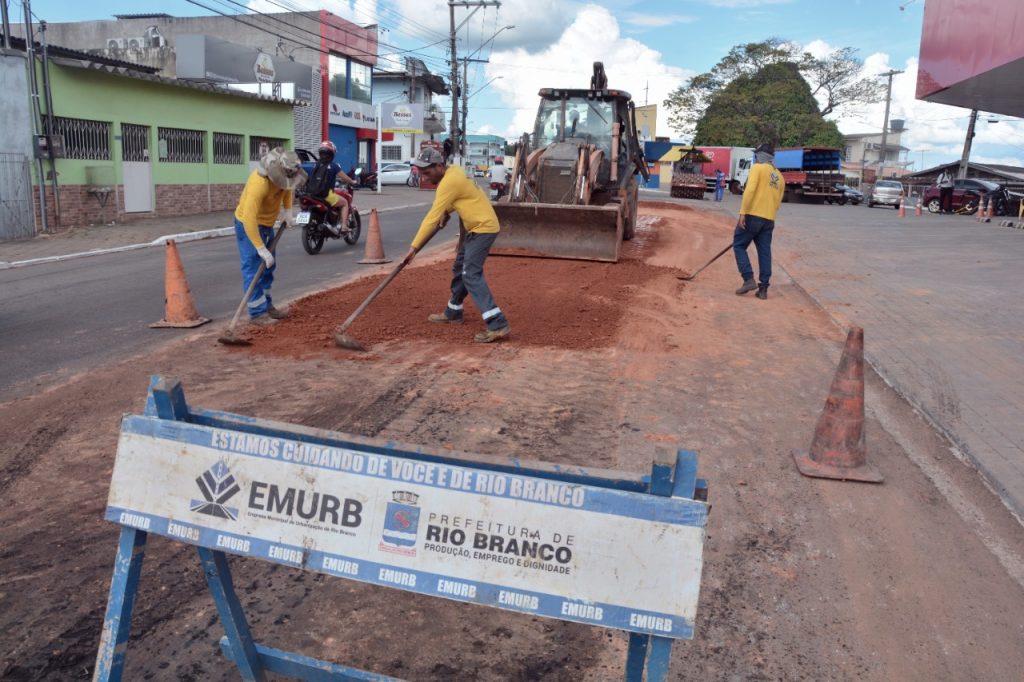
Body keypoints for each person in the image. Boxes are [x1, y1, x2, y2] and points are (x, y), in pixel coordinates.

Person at [404, 147, 511, 343]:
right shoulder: (454, 171)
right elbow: (462, 197)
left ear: (439, 166)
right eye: (421, 173)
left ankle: (497, 323)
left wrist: (414, 248)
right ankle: (454, 310)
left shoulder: (449, 181)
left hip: (483, 228)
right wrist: (447, 212)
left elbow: (432, 217)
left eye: (427, 173)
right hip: (476, 227)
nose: (425, 178)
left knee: (470, 273)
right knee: (460, 267)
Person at [233, 147, 306, 326]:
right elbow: (249, 218)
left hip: (267, 224)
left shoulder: (284, 177)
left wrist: (288, 211)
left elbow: (288, 188)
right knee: (253, 268)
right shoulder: (260, 184)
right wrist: (259, 248)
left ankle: (266, 305)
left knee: (268, 266)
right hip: (248, 225)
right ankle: (257, 313)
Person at [733, 143, 785, 300]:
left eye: (757, 154)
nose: (755, 157)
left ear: (761, 156)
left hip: (752, 215)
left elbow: (749, 191)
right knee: (764, 252)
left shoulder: (758, 168)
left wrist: (743, 213)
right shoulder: (780, 177)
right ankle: (763, 289)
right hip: (769, 220)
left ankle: (748, 279)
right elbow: (778, 202)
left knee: (739, 245)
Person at [303, 141, 356, 236]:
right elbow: (345, 178)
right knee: (345, 203)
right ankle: (343, 226)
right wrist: (352, 182)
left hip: (311, 195)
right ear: (332, 153)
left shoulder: (314, 165)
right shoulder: (334, 166)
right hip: (326, 195)